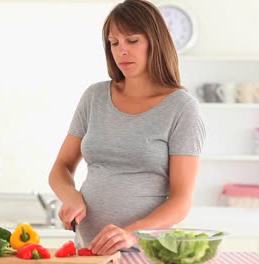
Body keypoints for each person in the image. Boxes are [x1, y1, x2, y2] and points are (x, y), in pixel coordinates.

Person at [48, 0, 206, 256]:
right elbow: (61, 168)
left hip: (147, 252)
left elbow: (181, 201)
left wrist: (130, 233)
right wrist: (70, 195)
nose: (121, 51)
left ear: (155, 41)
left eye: (132, 40)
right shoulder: (94, 97)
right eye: (114, 42)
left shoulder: (181, 108)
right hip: (88, 250)